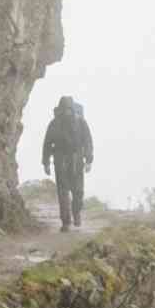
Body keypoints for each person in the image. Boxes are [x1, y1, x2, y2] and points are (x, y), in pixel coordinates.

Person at [42, 95, 94, 231]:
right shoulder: (54, 124)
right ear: (60, 109)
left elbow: (88, 141)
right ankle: (66, 222)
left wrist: (89, 160)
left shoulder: (81, 122)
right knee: (63, 192)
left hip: (77, 160)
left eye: (69, 109)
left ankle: (76, 212)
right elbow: (47, 143)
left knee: (78, 191)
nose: (67, 112)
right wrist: (46, 162)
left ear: (73, 108)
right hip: (60, 161)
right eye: (64, 109)